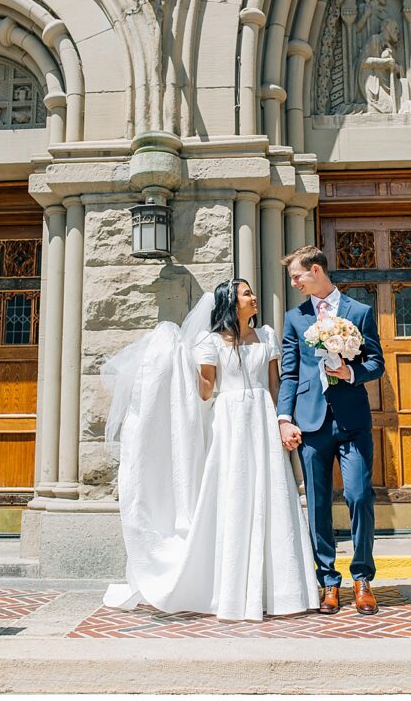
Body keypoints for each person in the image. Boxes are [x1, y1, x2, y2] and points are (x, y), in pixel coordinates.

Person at [104, 278, 318, 621]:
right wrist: (179, 362)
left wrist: (283, 421)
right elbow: (206, 392)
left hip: (262, 419)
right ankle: (231, 590)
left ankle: (280, 592)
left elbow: (275, 385)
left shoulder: (266, 336)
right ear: (231, 303)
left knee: (273, 495)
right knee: (233, 495)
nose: (253, 296)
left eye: (251, 290)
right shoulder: (210, 342)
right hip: (230, 424)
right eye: (247, 293)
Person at [278, 245, 384, 616]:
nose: (294, 282)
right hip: (310, 421)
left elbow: (376, 362)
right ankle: (328, 581)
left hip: (352, 421)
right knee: (319, 505)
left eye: (297, 275)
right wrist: (284, 419)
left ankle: (362, 578)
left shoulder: (360, 312)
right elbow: (289, 372)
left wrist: (351, 373)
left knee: (358, 496)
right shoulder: (295, 318)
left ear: (317, 269)